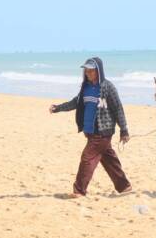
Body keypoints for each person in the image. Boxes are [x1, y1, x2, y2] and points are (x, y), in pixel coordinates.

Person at [49, 57, 132, 198]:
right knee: (108, 158)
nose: (88, 73)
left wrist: (124, 130)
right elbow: (75, 102)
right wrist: (58, 108)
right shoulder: (86, 87)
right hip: (90, 131)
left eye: (91, 71)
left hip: (102, 131)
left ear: (98, 71)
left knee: (87, 158)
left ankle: (79, 190)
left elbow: (118, 109)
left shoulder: (107, 87)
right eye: (86, 71)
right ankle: (124, 186)